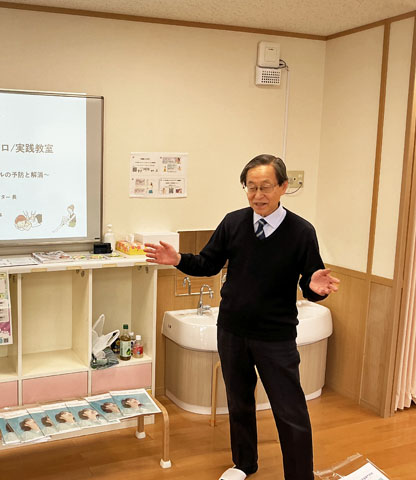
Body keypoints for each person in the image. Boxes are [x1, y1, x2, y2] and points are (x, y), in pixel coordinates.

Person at [145, 154, 339, 480]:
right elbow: (208, 263)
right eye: (251, 187)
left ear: (283, 187)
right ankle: (244, 464)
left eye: (265, 187)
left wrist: (315, 288)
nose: (257, 195)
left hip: (275, 336)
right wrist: (178, 259)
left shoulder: (301, 231)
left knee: (290, 410)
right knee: (238, 402)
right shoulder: (233, 223)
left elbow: (312, 283)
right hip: (232, 330)